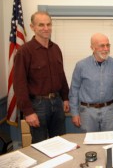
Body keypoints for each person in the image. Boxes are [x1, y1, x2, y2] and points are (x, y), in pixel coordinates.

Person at [14, 11, 70, 143]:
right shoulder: (24, 52)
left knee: (60, 142)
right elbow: (19, 84)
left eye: (48, 24)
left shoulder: (56, 49)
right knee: (40, 145)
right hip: (37, 106)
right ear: (32, 27)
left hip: (57, 102)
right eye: (41, 25)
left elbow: (61, 76)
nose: (46, 28)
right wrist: (28, 112)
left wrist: (65, 98)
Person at [69, 33, 113, 132]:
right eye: (102, 46)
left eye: (108, 45)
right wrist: (75, 113)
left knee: (111, 141)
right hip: (87, 112)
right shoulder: (81, 65)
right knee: (89, 143)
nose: (106, 49)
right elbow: (74, 90)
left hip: (109, 111)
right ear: (92, 47)